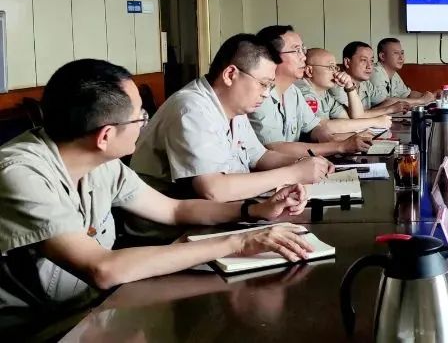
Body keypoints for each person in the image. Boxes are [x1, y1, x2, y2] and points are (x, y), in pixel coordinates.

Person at [0, 59, 315, 319]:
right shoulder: (20, 174)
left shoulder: (100, 160)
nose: (144, 123)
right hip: (38, 325)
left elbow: (174, 209)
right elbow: (102, 268)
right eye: (140, 117)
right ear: (105, 136)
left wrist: (255, 210)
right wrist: (238, 242)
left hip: (94, 307)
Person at [130, 34, 334, 206]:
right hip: (173, 229)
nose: (266, 94)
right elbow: (213, 190)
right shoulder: (191, 108)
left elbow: (260, 156)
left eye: (270, 86)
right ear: (230, 74)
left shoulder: (233, 105)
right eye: (263, 84)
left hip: (220, 212)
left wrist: (304, 164)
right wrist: (293, 173)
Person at [248, 25, 375, 157]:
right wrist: (339, 147)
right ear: (271, 56)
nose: (304, 57)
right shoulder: (259, 95)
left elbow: (314, 127)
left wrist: (332, 141)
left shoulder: (293, 91)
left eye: (303, 50)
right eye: (296, 51)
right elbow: (274, 148)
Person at [297, 48, 395, 127]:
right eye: (330, 67)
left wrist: (349, 87)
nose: (335, 73)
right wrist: (375, 122)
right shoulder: (304, 93)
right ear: (309, 71)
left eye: (335, 68)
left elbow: (355, 117)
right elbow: (322, 126)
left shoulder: (325, 94)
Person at [331, 41, 411, 117]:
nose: (369, 66)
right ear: (347, 62)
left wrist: (395, 106)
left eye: (372, 61)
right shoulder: (338, 84)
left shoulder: (365, 83)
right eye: (364, 60)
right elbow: (355, 117)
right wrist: (389, 109)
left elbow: (387, 100)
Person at [367, 38, 435, 108]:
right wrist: (421, 100)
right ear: (382, 56)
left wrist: (430, 96)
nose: (401, 57)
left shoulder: (394, 74)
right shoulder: (375, 72)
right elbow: (386, 102)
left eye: (402, 53)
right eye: (396, 53)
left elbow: (408, 95)